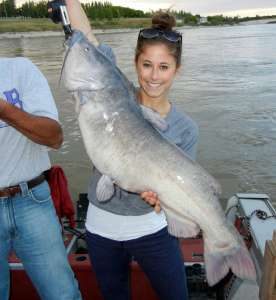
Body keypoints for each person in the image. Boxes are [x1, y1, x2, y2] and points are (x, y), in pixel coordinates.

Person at [65, 1, 199, 299]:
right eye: (146, 65)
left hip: (153, 231)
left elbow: (183, 188)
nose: (154, 76)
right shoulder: (112, 89)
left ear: (177, 70)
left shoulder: (186, 128)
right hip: (102, 230)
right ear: (135, 63)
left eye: (164, 67)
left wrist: (160, 200)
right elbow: (84, 37)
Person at [0, 57, 82, 299]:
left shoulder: (21, 69)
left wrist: (4, 109)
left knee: (63, 294)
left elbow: (54, 137)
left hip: (31, 201)